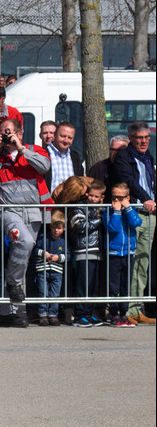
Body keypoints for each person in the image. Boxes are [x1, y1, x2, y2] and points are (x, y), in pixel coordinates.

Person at [0, 117, 52, 328]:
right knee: (25, 243)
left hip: (33, 212)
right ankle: (13, 285)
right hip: (7, 211)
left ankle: (11, 312)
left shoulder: (33, 150)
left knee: (22, 257)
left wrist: (21, 149)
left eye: (10, 133)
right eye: (3, 133)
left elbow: (44, 166)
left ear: (20, 133)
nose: (7, 137)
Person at [111, 121, 155, 325]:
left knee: (143, 263)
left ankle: (137, 307)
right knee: (131, 263)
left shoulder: (147, 157)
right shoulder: (123, 157)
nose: (144, 141)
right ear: (131, 138)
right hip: (133, 213)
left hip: (149, 214)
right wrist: (146, 198)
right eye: (139, 137)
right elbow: (130, 182)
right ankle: (126, 309)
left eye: (146, 137)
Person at [103, 183, 143, 327]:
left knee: (126, 285)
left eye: (120, 198)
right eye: (114, 197)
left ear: (127, 198)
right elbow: (112, 227)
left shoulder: (130, 211)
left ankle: (124, 313)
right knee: (114, 286)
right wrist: (117, 212)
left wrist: (128, 208)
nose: (117, 201)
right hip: (114, 253)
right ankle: (114, 314)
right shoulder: (109, 211)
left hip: (128, 253)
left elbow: (136, 222)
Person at [69, 180, 106, 327]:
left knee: (93, 286)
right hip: (83, 251)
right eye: (91, 195)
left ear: (101, 198)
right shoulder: (79, 207)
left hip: (97, 251)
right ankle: (80, 315)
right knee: (83, 285)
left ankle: (89, 313)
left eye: (96, 197)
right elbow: (80, 227)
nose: (93, 199)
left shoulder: (100, 209)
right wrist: (99, 219)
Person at [32, 211, 66, 326]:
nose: (56, 230)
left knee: (55, 294)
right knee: (43, 292)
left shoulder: (63, 242)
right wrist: (43, 253)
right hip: (43, 270)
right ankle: (43, 315)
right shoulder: (43, 238)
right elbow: (35, 250)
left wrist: (58, 257)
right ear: (50, 227)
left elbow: (68, 255)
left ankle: (53, 315)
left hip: (57, 272)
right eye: (54, 227)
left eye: (59, 228)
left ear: (64, 229)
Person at [46, 121, 84, 188]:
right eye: (63, 136)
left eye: (70, 138)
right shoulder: (43, 153)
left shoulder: (75, 157)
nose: (66, 141)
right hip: (49, 198)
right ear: (54, 134)